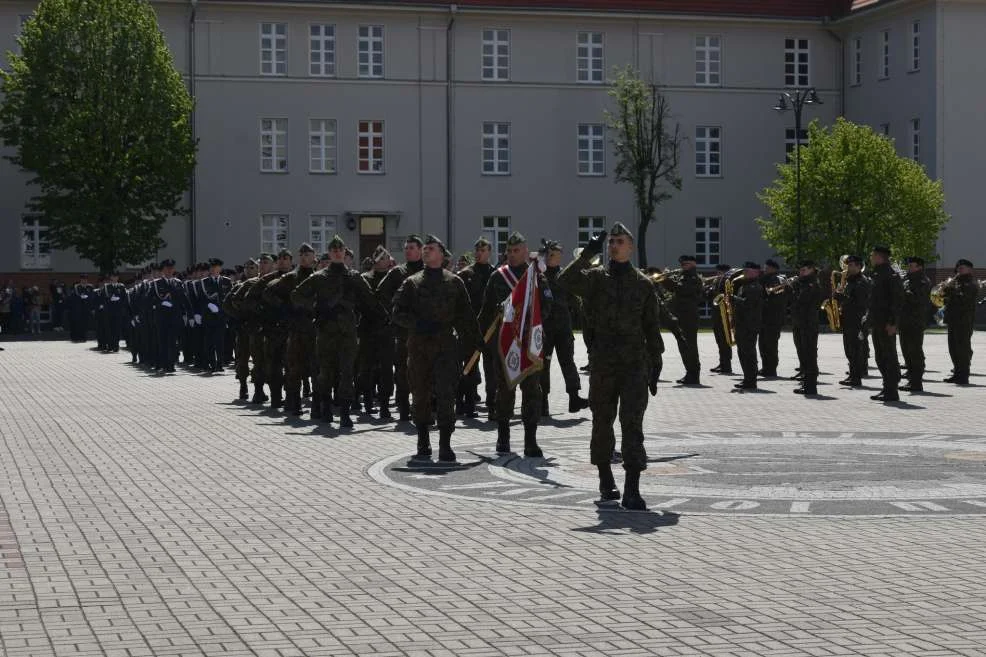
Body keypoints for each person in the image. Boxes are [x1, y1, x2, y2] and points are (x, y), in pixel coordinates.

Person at [558, 223, 662, 510]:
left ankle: (632, 488)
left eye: (619, 241)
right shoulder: (595, 279)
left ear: (630, 247)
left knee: (632, 424)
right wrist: (588, 253)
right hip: (603, 363)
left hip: (634, 365)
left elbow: (652, 328)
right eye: (610, 242)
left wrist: (657, 363)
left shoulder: (643, 284)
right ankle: (605, 479)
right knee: (602, 422)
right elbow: (565, 282)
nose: (613, 245)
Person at [392, 235, 481, 460]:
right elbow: (397, 313)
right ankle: (423, 442)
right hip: (420, 346)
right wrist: (417, 324)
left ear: (442, 254)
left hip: (446, 347)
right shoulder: (412, 282)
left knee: (446, 395)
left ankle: (445, 444)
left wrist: (477, 340)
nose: (426, 251)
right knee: (420, 394)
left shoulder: (454, 282)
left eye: (431, 248)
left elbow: (466, 316)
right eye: (425, 249)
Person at [292, 235, 385, 427]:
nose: (336, 252)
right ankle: (326, 408)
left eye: (340, 249)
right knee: (325, 372)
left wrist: (376, 317)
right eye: (333, 250)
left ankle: (344, 412)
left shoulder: (353, 277)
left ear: (344, 252)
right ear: (329, 252)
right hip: (326, 331)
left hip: (348, 332)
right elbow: (297, 296)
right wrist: (316, 309)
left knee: (347, 373)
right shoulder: (319, 277)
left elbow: (370, 300)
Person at [478, 232, 551, 458]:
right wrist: (480, 340)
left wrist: (530, 317)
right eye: (508, 251)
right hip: (505, 345)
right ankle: (503, 437)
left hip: (530, 344)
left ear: (525, 249)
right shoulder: (498, 277)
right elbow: (485, 312)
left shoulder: (537, 276)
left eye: (516, 250)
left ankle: (531, 440)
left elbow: (547, 306)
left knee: (531, 393)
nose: (511, 254)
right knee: (505, 392)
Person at [375, 235, 425, 422]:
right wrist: (395, 313)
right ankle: (404, 409)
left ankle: (424, 407)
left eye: (412, 247)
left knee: (425, 371)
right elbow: (381, 293)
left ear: (420, 249)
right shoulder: (398, 272)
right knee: (403, 371)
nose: (408, 250)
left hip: (425, 330)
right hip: (404, 331)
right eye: (406, 247)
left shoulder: (428, 271)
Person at [264, 244, 317, 415]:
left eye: (307, 254)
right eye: (301, 254)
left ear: (313, 257)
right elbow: (268, 292)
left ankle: (317, 405)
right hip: (296, 329)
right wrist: (285, 308)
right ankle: (293, 402)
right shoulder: (291, 277)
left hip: (315, 329)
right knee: (295, 367)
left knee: (317, 368)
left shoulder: (319, 277)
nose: (303, 257)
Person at [539, 239, 589, 414]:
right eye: (552, 254)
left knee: (568, 361)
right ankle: (542, 401)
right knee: (543, 365)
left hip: (563, 327)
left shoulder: (564, 276)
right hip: (545, 328)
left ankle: (574, 398)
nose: (555, 258)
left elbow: (574, 300)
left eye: (558, 255)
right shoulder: (539, 275)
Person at [456, 237, 498, 420]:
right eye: (477, 250)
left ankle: (491, 405)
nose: (480, 253)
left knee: (492, 367)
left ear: (490, 252)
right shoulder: (466, 274)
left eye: (483, 250)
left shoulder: (496, 273)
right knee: (469, 366)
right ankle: (466, 402)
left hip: (491, 327)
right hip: (469, 327)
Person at [359, 246, 396, 418]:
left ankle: (384, 404)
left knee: (387, 370)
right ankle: (367, 401)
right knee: (367, 368)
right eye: (382, 258)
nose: (385, 260)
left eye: (386, 258)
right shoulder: (365, 278)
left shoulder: (394, 278)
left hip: (387, 330)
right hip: (368, 329)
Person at [866, 246, 904, 402]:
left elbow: (897, 300)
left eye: (872, 255)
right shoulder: (877, 273)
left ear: (879, 256)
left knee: (889, 356)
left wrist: (893, 322)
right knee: (880, 356)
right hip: (877, 321)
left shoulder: (891, 275)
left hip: (886, 322)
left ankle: (892, 390)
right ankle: (886, 387)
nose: (870, 257)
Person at [659, 255, 702, 385]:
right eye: (682, 264)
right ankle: (689, 373)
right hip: (681, 315)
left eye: (685, 264)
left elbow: (681, 289)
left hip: (689, 316)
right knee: (684, 346)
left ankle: (694, 375)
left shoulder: (693, 278)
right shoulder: (683, 276)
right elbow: (675, 289)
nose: (683, 266)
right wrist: (664, 280)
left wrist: (666, 279)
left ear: (693, 264)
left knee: (690, 347)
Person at [835, 255, 871, 388]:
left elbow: (860, 303)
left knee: (855, 350)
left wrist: (842, 297)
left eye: (850, 265)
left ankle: (856, 377)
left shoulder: (862, 282)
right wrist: (838, 296)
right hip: (848, 319)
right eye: (847, 265)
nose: (847, 268)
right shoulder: (850, 281)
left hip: (857, 320)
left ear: (858, 266)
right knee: (849, 349)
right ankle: (852, 375)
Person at [943, 258, 979, 385]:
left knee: (962, 349)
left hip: (964, 321)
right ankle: (957, 373)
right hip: (953, 319)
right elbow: (947, 299)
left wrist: (951, 290)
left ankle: (963, 376)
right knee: (953, 348)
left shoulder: (971, 284)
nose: (959, 270)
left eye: (962, 268)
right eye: (958, 268)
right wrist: (945, 291)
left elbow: (963, 300)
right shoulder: (955, 282)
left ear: (970, 269)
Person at [899, 257, 931, 392]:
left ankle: (917, 382)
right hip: (904, 320)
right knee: (906, 351)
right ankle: (911, 379)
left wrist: (904, 292)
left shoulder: (923, 281)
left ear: (920, 267)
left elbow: (919, 299)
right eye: (909, 266)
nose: (909, 268)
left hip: (916, 321)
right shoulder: (907, 279)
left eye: (912, 266)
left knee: (915, 351)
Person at [790, 260, 822, 395]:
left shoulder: (812, 284)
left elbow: (802, 300)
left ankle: (810, 386)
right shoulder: (802, 283)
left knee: (809, 354)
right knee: (803, 353)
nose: (800, 273)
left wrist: (793, 287)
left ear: (811, 270)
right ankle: (806, 382)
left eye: (804, 270)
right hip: (800, 322)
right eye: (800, 270)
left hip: (809, 323)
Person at [731, 262, 763, 390]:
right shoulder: (744, 286)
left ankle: (751, 381)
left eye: (748, 271)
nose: (745, 273)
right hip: (742, 323)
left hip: (750, 324)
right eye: (745, 271)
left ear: (756, 272)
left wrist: (732, 298)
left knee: (748, 353)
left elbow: (748, 304)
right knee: (743, 353)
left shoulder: (755, 287)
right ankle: (747, 379)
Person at [153, 259, 187, 373]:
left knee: (173, 342)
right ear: (163, 270)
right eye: (167, 269)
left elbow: (183, 298)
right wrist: (160, 303)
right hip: (161, 317)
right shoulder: (156, 283)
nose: (170, 271)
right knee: (162, 341)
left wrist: (188, 314)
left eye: (171, 268)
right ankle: (164, 364)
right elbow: (149, 299)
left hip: (174, 316)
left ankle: (171, 364)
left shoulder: (177, 282)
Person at [757, 259, 785, 377]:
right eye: (765, 267)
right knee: (762, 344)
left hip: (773, 318)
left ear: (774, 269)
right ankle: (765, 367)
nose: (765, 270)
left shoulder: (778, 280)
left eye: (767, 268)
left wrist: (762, 302)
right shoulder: (765, 280)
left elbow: (777, 301)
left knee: (771, 345)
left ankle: (771, 369)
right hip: (764, 318)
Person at [708, 263, 734, 375]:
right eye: (718, 272)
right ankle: (722, 363)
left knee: (725, 340)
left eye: (720, 272)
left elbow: (727, 296)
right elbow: (710, 296)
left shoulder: (729, 282)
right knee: (719, 340)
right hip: (716, 314)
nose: (718, 275)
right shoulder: (716, 282)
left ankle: (727, 365)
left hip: (724, 314)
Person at [66, 273, 94, 342]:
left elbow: (92, 296)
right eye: (83, 279)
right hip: (78, 308)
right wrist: (81, 297)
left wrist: (92, 307)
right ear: (80, 280)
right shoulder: (77, 286)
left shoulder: (90, 287)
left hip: (87, 308)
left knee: (85, 323)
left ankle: (83, 337)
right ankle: (76, 337)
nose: (84, 281)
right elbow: (75, 296)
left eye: (86, 279)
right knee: (77, 323)